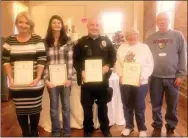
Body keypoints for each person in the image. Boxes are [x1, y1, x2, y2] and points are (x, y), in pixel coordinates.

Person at [2, 11, 47, 137]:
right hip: (17, 84)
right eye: (20, 22)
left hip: (35, 84)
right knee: (20, 110)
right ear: (16, 23)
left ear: (30, 25)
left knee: (35, 110)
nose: (23, 25)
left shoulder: (37, 39)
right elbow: (5, 60)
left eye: (26, 23)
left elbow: (42, 60)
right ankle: (25, 133)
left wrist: (38, 78)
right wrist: (10, 79)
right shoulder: (10, 40)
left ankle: (34, 131)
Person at [145, 12, 187, 137]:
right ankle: (157, 125)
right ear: (156, 22)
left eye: (164, 19)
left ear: (169, 20)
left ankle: (170, 127)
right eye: (159, 20)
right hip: (155, 77)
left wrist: (181, 74)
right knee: (156, 104)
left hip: (173, 78)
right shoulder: (150, 38)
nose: (162, 21)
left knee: (172, 105)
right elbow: (145, 57)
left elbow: (183, 56)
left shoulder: (178, 36)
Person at [73, 16, 116, 137]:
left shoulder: (106, 40)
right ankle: (88, 130)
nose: (95, 27)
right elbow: (75, 59)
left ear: (99, 26)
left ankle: (105, 129)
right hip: (87, 81)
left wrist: (107, 66)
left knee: (103, 106)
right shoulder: (81, 42)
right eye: (92, 25)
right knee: (87, 107)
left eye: (97, 25)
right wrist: (81, 70)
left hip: (102, 81)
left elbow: (113, 56)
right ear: (87, 26)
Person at [116, 28, 154, 137]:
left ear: (137, 35)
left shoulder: (144, 48)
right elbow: (118, 63)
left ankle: (142, 128)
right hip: (125, 81)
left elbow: (149, 64)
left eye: (133, 35)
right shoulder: (121, 48)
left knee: (139, 105)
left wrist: (141, 77)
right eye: (129, 35)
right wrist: (120, 75)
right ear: (126, 36)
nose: (131, 37)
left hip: (140, 82)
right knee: (127, 104)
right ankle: (129, 126)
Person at [43, 15, 73, 137]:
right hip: (52, 81)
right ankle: (55, 131)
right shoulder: (45, 42)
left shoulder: (68, 41)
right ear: (50, 25)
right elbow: (43, 62)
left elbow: (70, 60)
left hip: (65, 80)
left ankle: (66, 132)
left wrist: (70, 78)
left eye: (59, 22)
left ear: (62, 25)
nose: (56, 24)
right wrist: (46, 79)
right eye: (54, 22)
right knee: (54, 108)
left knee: (66, 106)